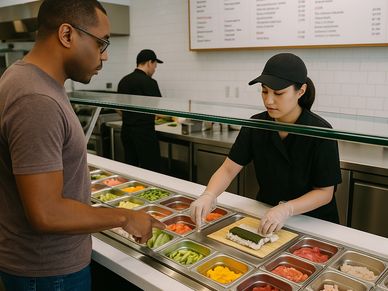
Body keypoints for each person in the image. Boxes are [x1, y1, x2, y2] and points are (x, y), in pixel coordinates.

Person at [0, 1, 164, 290]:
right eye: (101, 43)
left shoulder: (27, 79)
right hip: (49, 273)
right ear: (67, 35)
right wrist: (125, 217)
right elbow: (46, 213)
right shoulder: (36, 99)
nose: (106, 54)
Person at [190, 53, 342, 235]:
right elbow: (228, 169)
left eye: (278, 93)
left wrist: (287, 209)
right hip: (268, 217)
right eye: (264, 91)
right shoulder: (257, 125)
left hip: (313, 223)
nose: (269, 100)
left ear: (300, 91)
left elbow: (325, 192)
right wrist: (209, 195)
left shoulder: (320, 131)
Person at [117, 49, 163, 172]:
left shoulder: (124, 81)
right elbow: (159, 109)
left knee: (131, 169)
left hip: (126, 132)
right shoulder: (150, 82)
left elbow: (118, 107)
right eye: (155, 66)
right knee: (151, 171)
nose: (154, 70)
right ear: (149, 62)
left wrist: (130, 117)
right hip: (145, 134)